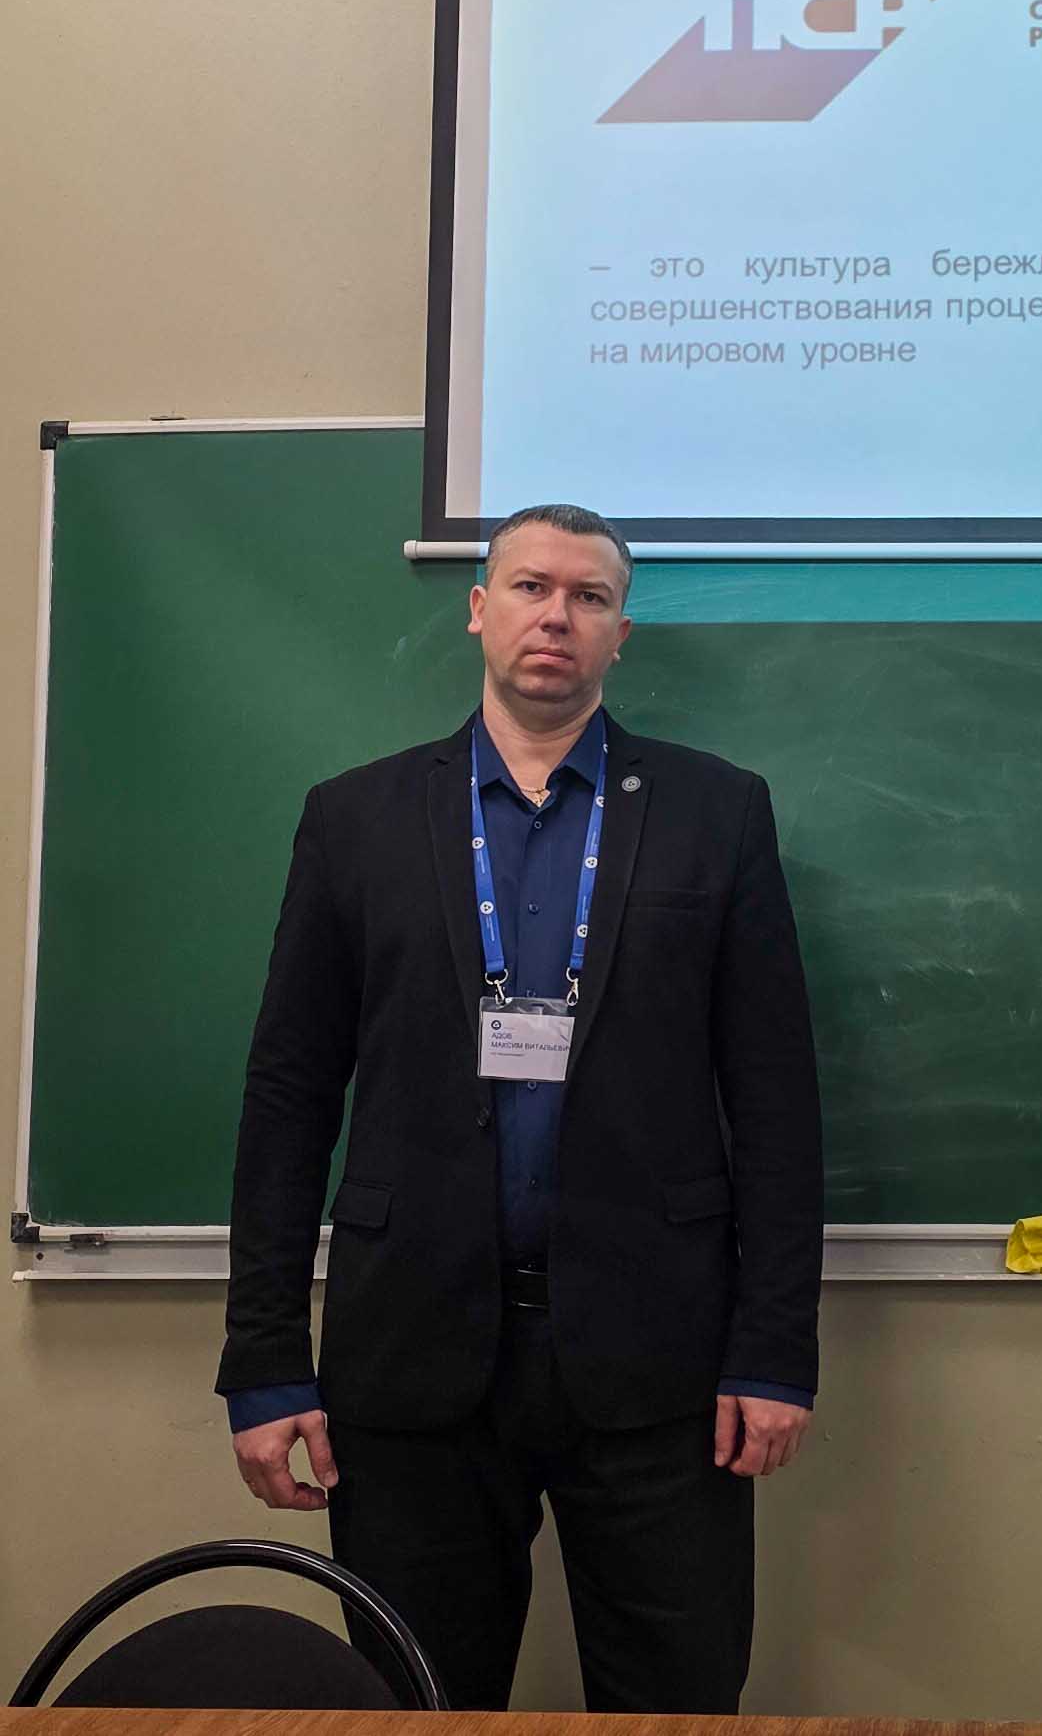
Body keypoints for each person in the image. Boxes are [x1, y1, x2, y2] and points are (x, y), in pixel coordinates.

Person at [216, 502, 823, 1711]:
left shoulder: (716, 811)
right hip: (410, 1358)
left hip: (661, 1365)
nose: (558, 615)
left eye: (589, 596)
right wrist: (266, 1358)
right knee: (416, 1700)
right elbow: (289, 1095)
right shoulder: (356, 817)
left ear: (620, 633)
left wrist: (773, 1350)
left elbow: (773, 1099)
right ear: (478, 609)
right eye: (532, 586)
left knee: (678, 1701)